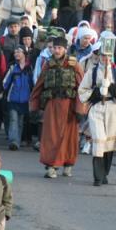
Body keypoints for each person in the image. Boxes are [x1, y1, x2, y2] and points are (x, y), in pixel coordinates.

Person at [29, 35, 84, 178]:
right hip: (52, 105)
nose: (57, 50)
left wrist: (80, 109)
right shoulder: (48, 65)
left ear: (65, 49)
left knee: (69, 137)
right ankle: (51, 166)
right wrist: (33, 106)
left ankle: (68, 163)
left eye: (60, 48)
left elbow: (82, 89)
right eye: (55, 48)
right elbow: (38, 87)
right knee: (50, 136)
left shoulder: (74, 65)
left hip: (69, 107)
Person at [78, 46, 116, 186]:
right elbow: (82, 90)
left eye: (108, 56)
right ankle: (97, 176)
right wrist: (97, 92)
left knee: (109, 141)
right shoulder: (92, 72)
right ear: (99, 56)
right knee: (99, 139)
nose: (105, 59)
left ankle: (105, 172)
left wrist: (112, 87)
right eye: (103, 56)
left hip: (112, 107)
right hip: (97, 108)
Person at [3, 45, 33, 150]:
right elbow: (5, 82)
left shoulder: (30, 68)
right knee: (13, 120)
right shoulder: (12, 67)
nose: (16, 54)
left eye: (19, 51)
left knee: (20, 122)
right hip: (13, 99)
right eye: (15, 52)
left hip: (25, 100)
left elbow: (33, 83)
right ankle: (13, 141)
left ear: (24, 54)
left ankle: (17, 142)